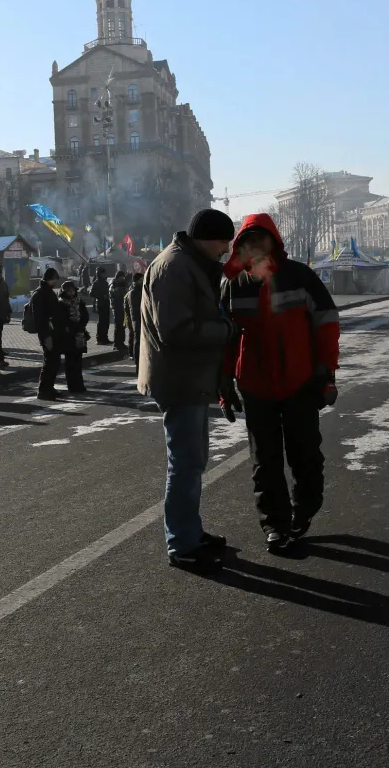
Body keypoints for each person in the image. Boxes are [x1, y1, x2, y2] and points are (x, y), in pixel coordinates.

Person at [220, 215, 338, 554]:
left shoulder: (300, 276)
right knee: (265, 461)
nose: (254, 249)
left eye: (260, 241)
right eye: (247, 243)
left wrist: (326, 373)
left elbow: (326, 324)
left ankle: (305, 508)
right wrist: (224, 384)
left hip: (300, 382)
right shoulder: (235, 284)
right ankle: (275, 524)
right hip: (255, 386)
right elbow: (226, 340)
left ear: (273, 242)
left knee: (305, 455)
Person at [139, 208, 239, 569]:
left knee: (193, 461)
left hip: (188, 378)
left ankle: (189, 532)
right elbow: (176, 331)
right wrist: (226, 330)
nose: (226, 249)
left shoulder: (188, 263)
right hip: (179, 378)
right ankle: (181, 542)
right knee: (184, 464)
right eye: (223, 241)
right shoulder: (176, 267)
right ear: (207, 238)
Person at [52, 279, 90, 391]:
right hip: (68, 335)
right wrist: (73, 326)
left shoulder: (79, 301)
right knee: (70, 362)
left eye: (73, 291)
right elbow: (62, 320)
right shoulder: (61, 303)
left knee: (78, 361)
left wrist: (81, 325)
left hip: (80, 334)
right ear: (64, 292)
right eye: (69, 291)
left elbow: (85, 315)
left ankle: (80, 385)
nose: (71, 293)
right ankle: (72, 386)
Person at [32, 267, 64, 400]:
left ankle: (49, 387)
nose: (55, 282)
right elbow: (39, 318)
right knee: (49, 361)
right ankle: (43, 390)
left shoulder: (49, 292)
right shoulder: (40, 294)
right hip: (47, 333)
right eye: (54, 279)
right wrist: (46, 335)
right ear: (49, 279)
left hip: (53, 332)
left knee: (55, 361)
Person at [124, 271, 144, 365]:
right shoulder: (133, 293)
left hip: (140, 318)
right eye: (141, 279)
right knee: (137, 340)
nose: (143, 280)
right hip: (137, 319)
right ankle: (137, 358)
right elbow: (134, 308)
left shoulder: (141, 290)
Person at [91, 267, 112, 344]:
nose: (104, 275)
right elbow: (92, 293)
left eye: (105, 273)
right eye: (103, 273)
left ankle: (105, 338)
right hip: (100, 304)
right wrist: (101, 296)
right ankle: (100, 338)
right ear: (99, 274)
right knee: (101, 322)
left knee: (106, 322)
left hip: (106, 304)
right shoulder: (96, 282)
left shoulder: (105, 282)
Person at [110, 271, 129, 352]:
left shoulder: (124, 283)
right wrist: (122, 289)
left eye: (123, 277)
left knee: (123, 325)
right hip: (116, 307)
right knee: (118, 326)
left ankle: (121, 342)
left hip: (123, 307)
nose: (122, 278)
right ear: (118, 277)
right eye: (121, 277)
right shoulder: (113, 284)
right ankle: (117, 344)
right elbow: (114, 293)